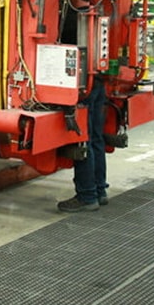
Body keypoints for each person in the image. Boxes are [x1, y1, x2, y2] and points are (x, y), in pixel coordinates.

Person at [58, 78, 109, 213]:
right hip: (97, 81)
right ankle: (99, 191)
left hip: (84, 86)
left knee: (83, 140)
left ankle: (87, 197)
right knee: (96, 139)